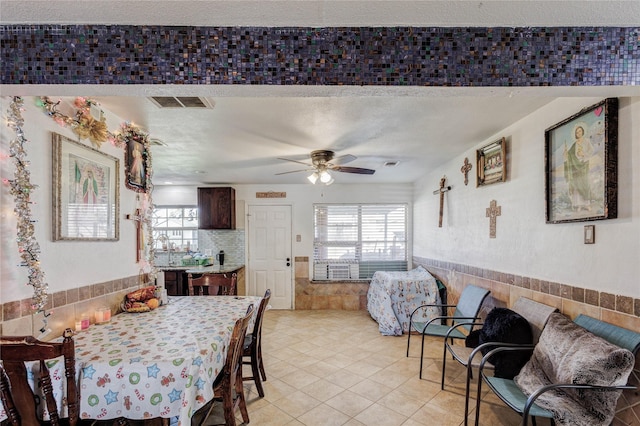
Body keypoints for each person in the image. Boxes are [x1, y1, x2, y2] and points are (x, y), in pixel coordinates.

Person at [563, 122, 594, 212]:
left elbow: (591, 151)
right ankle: (580, 205)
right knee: (577, 185)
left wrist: (583, 154)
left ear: (582, 132)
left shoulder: (586, 141)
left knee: (585, 183)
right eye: (577, 132)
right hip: (576, 167)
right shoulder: (575, 144)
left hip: (584, 165)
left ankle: (587, 204)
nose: (578, 133)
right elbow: (570, 155)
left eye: (580, 131)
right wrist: (566, 153)